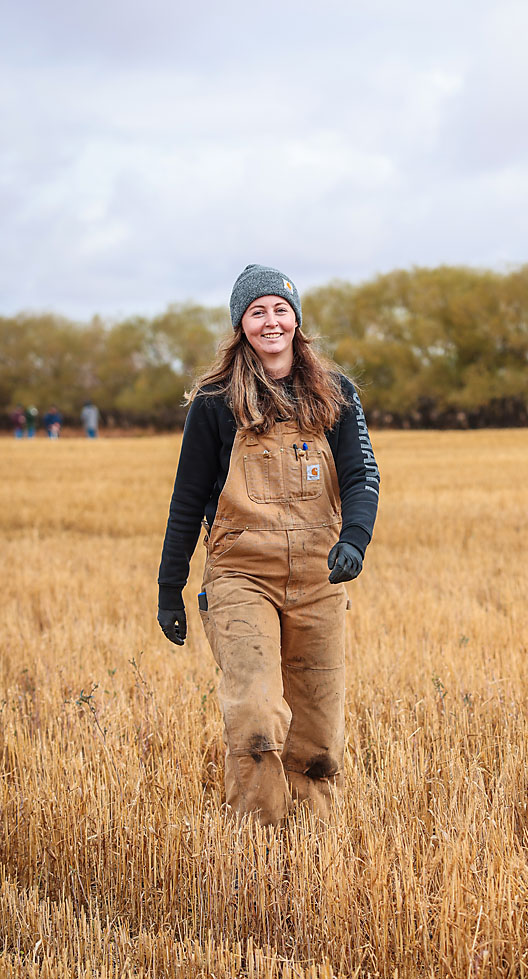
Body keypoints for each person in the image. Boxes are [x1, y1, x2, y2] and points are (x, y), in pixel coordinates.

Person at [157, 264, 380, 827]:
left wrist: (354, 539)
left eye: (281, 309)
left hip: (319, 577)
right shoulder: (214, 402)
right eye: (257, 312)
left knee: (318, 736)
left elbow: (361, 475)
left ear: (296, 320)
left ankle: (310, 852)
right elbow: (187, 500)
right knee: (256, 717)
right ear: (241, 326)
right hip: (240, 576)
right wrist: (169, 587)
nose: (271, 320)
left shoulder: (337, 393)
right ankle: (256, 850)